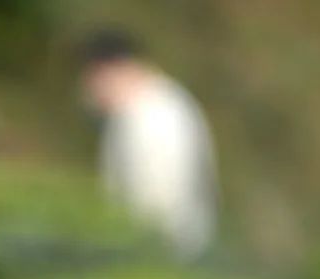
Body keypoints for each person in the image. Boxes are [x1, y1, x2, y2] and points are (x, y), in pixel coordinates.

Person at [79, 29, 219, 261]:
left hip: (164, 257)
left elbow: (158, 205)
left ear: (106, 71)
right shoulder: (141, 108)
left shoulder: (156, 114)